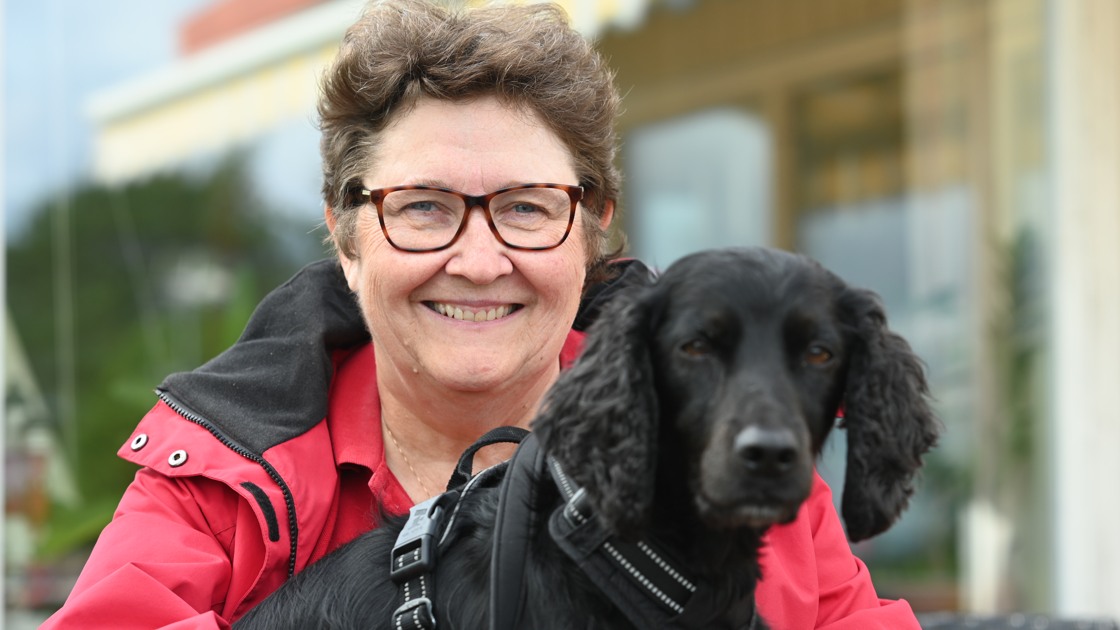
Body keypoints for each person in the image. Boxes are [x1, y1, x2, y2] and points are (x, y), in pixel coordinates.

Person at [42, 1, 923, 628]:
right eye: (422, 206)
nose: (476, 258)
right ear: (347, 239)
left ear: (592, 228)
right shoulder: (221, 473)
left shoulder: (737, 462)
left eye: (527, 206)